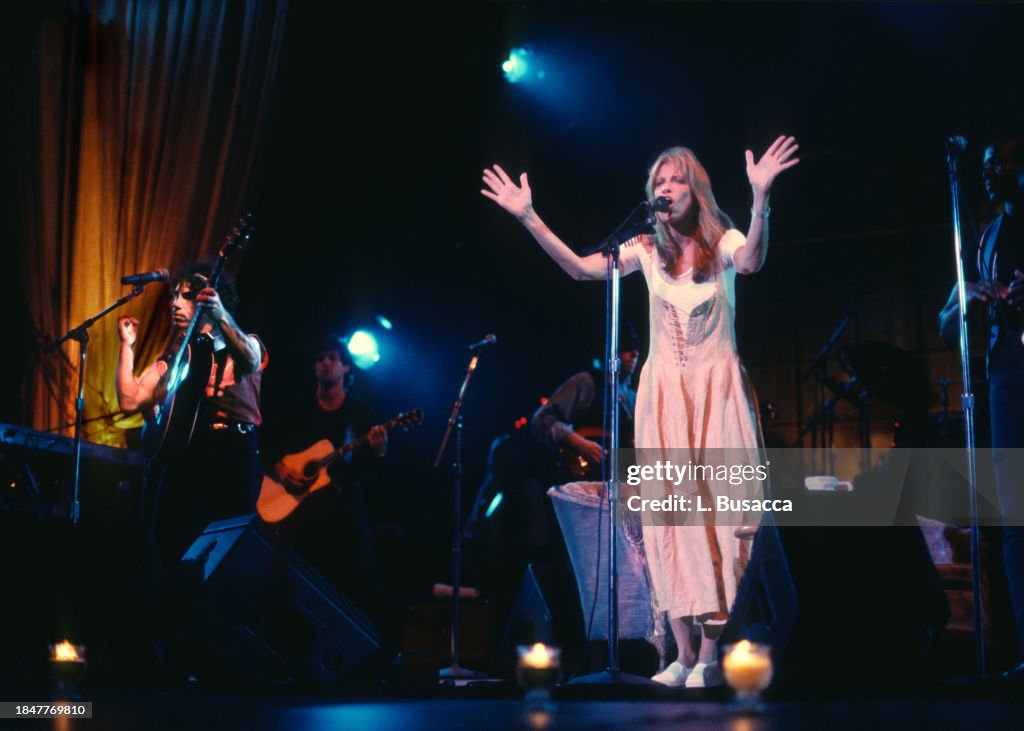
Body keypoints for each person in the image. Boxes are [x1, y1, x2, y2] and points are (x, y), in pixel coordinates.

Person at [482, 136, 799, 687]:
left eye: (676, 180)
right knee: (668, 524)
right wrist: (529, 217)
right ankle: (680, 653)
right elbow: (583, 270)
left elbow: (751, 260)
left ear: (695, 189)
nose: (666, 188)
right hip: (663, 402)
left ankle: (710, 654)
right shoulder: (646, 251)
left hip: (717, 397)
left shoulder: (721, 241)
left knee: (718, 526)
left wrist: (760, 197)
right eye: (658, 182)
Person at [116, 262, 268, 572]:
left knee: (223, 556)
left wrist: (220, 312)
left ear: (208, 300)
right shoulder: (175, 357)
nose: (174, 303)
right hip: (191, 456)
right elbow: (130, 400)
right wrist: (127, 346)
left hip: (233, 455)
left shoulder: (241, 340)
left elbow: (252, 360)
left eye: (185, 296)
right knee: (173, 548)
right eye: (175, 295)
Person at [939, 135, 1024, 676]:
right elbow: (946, 326)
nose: (992, 172)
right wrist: (967, 300)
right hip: (1006, 378)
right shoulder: (986, 238)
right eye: (989, 164)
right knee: (1015, 522)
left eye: (1005, 162)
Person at [259, 334, 387, 618]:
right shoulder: (298, 410)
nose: (325, 364)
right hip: (296, 520)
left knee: (347, 590)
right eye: (320, 359)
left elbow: (369, 476)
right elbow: (267, 445)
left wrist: (378, 453)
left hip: (341, 520)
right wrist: (281, 470)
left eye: (332, 358)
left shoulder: (359, 414)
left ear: (347, 368)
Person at [531, 340, 640, 483]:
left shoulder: (633, 397)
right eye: (627, 348)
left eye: (637, 349)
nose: (635, 354)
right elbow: (542, 420)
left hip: (620, 483)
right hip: (584, 477)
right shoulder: (585, 382)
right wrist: (579, 443)